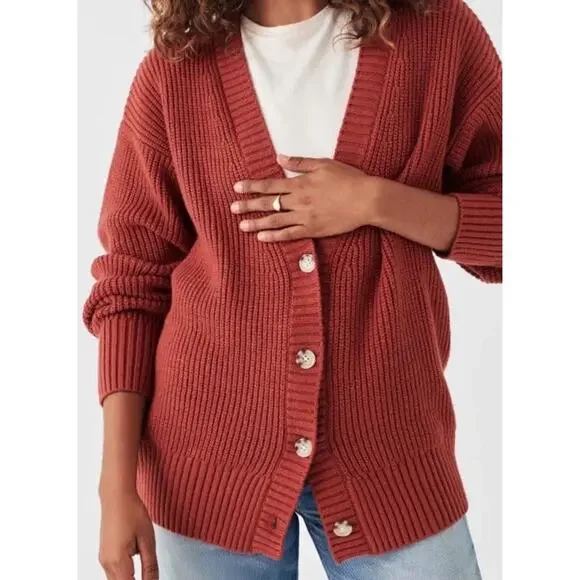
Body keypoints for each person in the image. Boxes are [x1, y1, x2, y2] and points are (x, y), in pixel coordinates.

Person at [83, 0, 501, 577]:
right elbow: (131, 282)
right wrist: (114, 486)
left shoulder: (437, 32)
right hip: (204, 466)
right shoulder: (175, 71)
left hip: (392, 457)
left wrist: (377, 201)